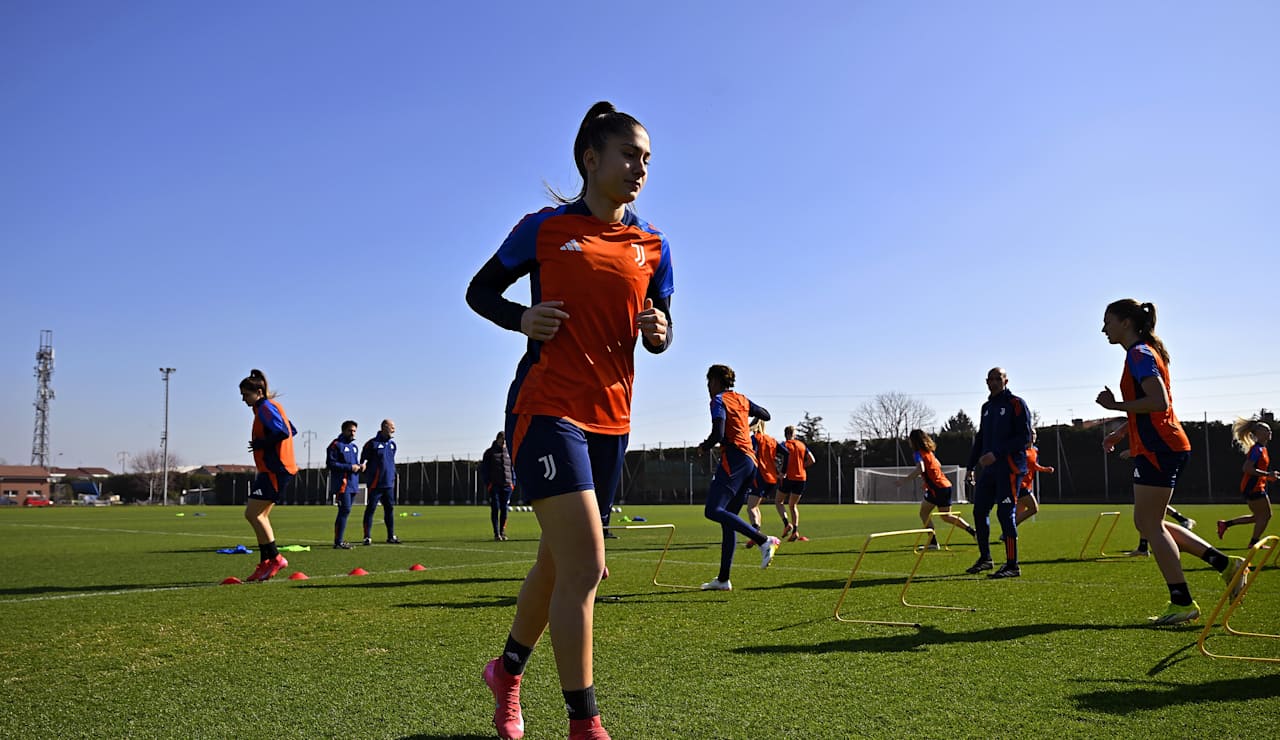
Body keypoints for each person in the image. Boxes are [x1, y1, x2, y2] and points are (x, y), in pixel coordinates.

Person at [465, 101, 673, 740]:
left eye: (646, 159)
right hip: (546, 407)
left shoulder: (654, 246)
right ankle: (585, 725)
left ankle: (507, 671)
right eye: (629, 155)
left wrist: (661, 333)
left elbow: (661, 329)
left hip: (613, 420)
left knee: (558, 565)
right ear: (591, 158)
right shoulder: (544, 229)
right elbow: (480, 292)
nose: (640, 168)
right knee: (588, 567)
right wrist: (520, 320)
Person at [1096, 299, 1247, 624]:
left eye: (1107, 321)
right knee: (1151, 523)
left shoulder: (1139, 353)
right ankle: (1225, 566)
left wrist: (1115, 406)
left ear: (1125, 322)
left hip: (1161, 448)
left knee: (1149, 525)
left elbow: (1158, 402)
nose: (1103, 328)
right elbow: (1153, 406)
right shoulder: (1143, 352)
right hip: (1161, 446)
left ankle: (1183, 601)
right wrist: (1122, 432)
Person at [696, 365, 782, 590]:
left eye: (708, 383)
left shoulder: (718, 400)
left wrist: (704, 446)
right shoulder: (742, 399)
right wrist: (747, 424)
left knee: (713, 510)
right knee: (728, 521)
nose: (708, 388)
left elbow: (719, 434)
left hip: (734, 459)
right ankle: (723, 579)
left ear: (715, 381)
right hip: (750, 463)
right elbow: (766, 415)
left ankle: (764, 540)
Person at [965, 367, 1031, 578]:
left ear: (1006, 380)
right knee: (979, 511)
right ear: (986, 382)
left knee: (1005, 514)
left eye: (998, 378)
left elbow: (1024, 438)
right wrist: (970, 466)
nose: (993, 382)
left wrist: (997, 453)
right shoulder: (986, 407)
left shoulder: (1016, 404)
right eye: (990, 379)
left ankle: (1012, 565)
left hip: (1009, 468)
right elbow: (981, 438)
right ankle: (986, 558)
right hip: (989, 471)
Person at [239, 369, 297, 582]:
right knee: (260, 516)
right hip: (276, 469)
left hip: (275, 469)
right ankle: (266, 564)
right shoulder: (268, 408)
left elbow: (283, 432)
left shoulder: (264, 407)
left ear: (259, 392)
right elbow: (292, 429)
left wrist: (261, 443)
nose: (243, 399)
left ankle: (275, 558)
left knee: (253, 514)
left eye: (246, 394)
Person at [900, 429, 977, 550]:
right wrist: (928, 481)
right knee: (946, 516)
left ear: (913, 441)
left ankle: (933, 542)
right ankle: (973, 532)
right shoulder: (929, 453)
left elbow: (921, 468)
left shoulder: (918, 453)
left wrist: (905, 480)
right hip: (945, 485)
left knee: (924, 513)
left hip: (937, 488)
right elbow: (938, 465)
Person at [1217, 417, 1275, 548]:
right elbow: (1247, 468)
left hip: (1255, 486)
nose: (1270, 432)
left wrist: (1269, 476)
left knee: (1258, 517)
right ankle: (1253, 543)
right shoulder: (1257, 449)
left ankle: (1225, 524)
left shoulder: (1262, 449)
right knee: (1265, 516)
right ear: (1258, 434)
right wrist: (1267, 475)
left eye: (1270, 430)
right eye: (1266, 430)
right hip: (1253, 487)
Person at [360, 419, 401, 545]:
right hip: (375, 483)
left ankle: (391, 536)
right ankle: (367, 537)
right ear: (384, 427)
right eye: (392, 426)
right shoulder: (371, 444)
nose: (394, 429)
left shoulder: (392, 445)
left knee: (389, 509)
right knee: (371, 509)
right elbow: (363, 461)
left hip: (388, 484)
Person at [742, 419, 781, 549]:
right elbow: (786, 452)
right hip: (771, 479)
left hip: (759, 476)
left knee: (751, 507)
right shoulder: (771, 440)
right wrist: (782, 471)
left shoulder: (755, 439)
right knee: (756, 506)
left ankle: (755, 534)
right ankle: (757, 533)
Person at [326, 419, 365, 549]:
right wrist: (349, 467)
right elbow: (331, 464)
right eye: (350, 430)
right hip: (342, 484)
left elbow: (354, 464)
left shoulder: (354, 447)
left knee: (346, 511)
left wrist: (360, 466)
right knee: (344, 510)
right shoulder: (335, 445)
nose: (353, 433)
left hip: (353, 484)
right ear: (343, 431)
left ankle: (340, 540)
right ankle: (338, 541)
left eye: (354, 431)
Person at [776, 425, 816, 542]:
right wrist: (802, 466)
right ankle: (795, 532)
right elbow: (812, 460)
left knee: (779, 501)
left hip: (788, 477)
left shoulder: (784, 445)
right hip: (801, 478)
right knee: (793, 505)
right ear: (794, 434)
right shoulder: (801, 445)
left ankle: (786, 523)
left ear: (785, 434)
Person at [1014, 429, 1055, 526]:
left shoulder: (1035, 450)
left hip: (1028, 485)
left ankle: (1007, 533)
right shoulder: (1020, 451)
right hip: (1021, 485)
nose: (1032, 436)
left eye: (1034, 433)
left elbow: (1034, 465)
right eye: (1030, 433)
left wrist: (1045, 469)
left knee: (1018, 515)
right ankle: (1008, 531)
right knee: (1034, 508)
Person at [482, 431, 516, 541]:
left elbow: (512, 468)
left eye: (505, 440)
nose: (503, 442)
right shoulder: (489, 453)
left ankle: (502, 531)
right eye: (502, 439)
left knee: (504, 509)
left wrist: (512, 483)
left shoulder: (509, 452)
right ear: (497, 439)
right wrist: (489, 484)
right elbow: (484, 470)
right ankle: (496, 533)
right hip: (494, 486)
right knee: (495, 508)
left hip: (507, 485)